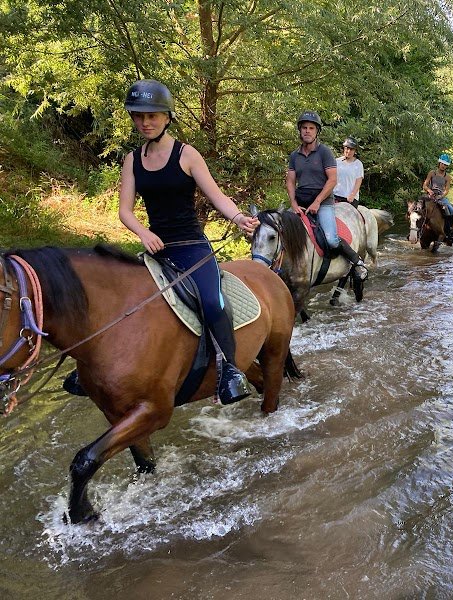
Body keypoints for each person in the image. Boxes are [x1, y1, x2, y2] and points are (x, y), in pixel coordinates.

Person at [118, 79, 259, 405]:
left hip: (192, 248)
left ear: (167, 116)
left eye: (152, 115)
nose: (145, 122)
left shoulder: (187, 154)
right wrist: (144, 233)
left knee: (212, 302)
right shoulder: (132, 160)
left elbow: (217, 196)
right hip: (156, 249)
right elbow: (125, 211)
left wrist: (238, 218)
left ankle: (231, 371)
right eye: (139, 116)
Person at [286, 111, 368, 280]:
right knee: (282, 232)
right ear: (300, 131)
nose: (307, 131)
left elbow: (332, 180)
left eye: (311, 128)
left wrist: (317, 202)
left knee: (331, 238)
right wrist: (293, 203)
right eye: (304, 128)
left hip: (323, 202)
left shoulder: (325, 152)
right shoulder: (294, 156)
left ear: (317, 132)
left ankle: (357, 261)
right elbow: (290, 181)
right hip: (300, 201)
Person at [422, 153, 453, 240]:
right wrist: (429, 191)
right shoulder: (432, 173)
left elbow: (447, 190)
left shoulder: (447, 177)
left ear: (447, 166)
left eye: (445, 165)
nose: (443, 166)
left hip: (441, 197)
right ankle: (416, 230)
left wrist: (441, 196)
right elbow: (425, 185)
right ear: (439, 163)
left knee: (451, 209)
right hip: (430, 195)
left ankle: (449, 231)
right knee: (418, 207)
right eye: (442, 164)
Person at [333, 136, 364, 208]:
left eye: (351, 149)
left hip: (350, 199)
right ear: (344, 148)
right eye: (347, 148)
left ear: (355, 151)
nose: (349, 151)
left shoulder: (358, 164)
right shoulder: (336, 161)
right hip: (335, 196)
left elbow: (358, 181)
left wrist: (352, 195)